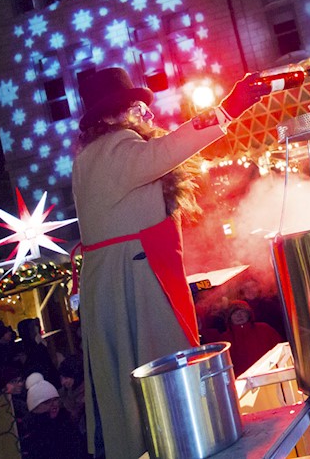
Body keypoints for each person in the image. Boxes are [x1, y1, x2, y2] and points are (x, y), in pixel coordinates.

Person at [72, 66, 270, 459]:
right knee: (156, 379)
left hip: (130, 276)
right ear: (111, 117)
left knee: (145, 382)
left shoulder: (100, 153)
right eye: (133, 107)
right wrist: (228, 108)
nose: (145, 114)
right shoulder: (114, 150)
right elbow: (167, 151)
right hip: (131, 282)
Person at [21, 373, 85, 459]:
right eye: (46, 402)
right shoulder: (29, 431)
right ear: (35, 408)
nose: (54, 404)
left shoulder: (66, 422)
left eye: (55, 399)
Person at [223, 301, 284, 376]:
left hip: (269, 376)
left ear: (248, 314)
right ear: (229, 318)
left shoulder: (264, 329)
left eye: (242, 312)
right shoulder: (225, 340)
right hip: (241, 382)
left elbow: (282, 352)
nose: (239, 315)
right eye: (234, 313)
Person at [16, 319, 58, 385]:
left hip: (49, 378)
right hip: (39, 381)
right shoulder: (25, 348)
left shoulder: (38, 342)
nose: (36, 329)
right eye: (33, 327)